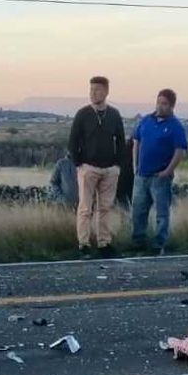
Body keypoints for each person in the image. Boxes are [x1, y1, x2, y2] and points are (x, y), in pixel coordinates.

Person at [68, 76, 126, 259]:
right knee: (85, 208)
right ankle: (84, 244)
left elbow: (121, 140)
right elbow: (73, 140)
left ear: (106, 91)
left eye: (97, 89)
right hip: (89, 167)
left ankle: (104, 243)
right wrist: (79, 164)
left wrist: (118, 165)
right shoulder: (83, 114)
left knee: (105, 208)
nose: (93, 93)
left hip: (110, 169)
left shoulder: (114, 115)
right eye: (91, 89)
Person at [131, 89, 188, 256]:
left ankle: (159, 243)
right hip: (142, 175)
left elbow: (179, 151)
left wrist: (168, 171)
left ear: (171, 106)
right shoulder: (146, 121)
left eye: (164, 104)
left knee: (161, 213)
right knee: (138, 210)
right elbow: (136, 141)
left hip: (160, 177)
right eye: (158, 102)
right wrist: (135, 165)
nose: (160, 106)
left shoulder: (175, 126)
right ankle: (138, 241)